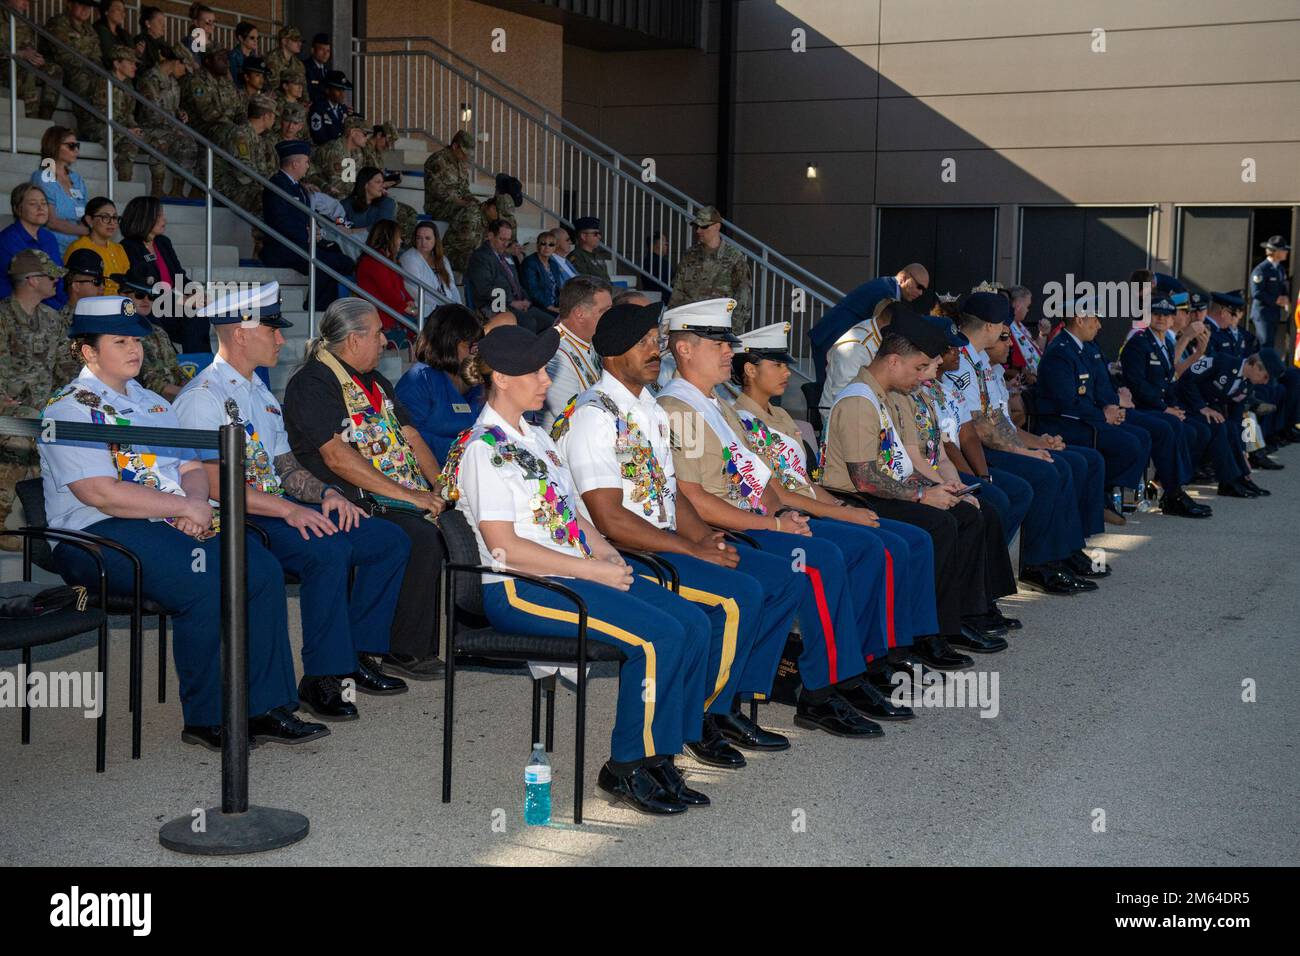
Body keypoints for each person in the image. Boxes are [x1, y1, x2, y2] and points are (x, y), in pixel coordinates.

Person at [441, 323, 713, 813]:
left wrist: (604, 551)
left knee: (691, 622)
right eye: (536, 370)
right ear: (501, 377)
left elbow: (572, 515)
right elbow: (505, 548)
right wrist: (589, 570)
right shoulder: (483, 448)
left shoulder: (537, 437)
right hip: (522, 587)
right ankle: (626, 768)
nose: (548, 378)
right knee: (658, 639)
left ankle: (661, 754)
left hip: (568, 571)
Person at [40, 294, 329, 749]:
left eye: (135, 339)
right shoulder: (68, 408)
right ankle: (207, 716)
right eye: (119, 341)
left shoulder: (153, 402)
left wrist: (194, 504)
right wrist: (182, 509)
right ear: (88, 351)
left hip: (169, 518)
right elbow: (100, 493)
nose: (134, 349)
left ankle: (266, 706)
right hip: (95, 534)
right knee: (203, 582)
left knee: (261, 570)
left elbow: (192, 468)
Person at [554, 302, 806, 764]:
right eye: (645, 343)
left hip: (666, 540)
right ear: (612, 355)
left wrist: (703, 540)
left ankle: (728, 699)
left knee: (780, 575)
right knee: (738, 595)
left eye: (656, 340)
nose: (657, 350)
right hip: (624, 552)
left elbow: (673, 495)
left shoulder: (646, 407)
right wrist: (691, 547)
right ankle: (705, 718)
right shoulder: (595, 415)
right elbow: (608, 520)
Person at [657, 298, 912, 737]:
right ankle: (821, 690)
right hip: (729, 530)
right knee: (820, 560)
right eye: (717, 343)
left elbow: (762, 478)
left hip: (759, 519)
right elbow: (696, 502)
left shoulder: (713, 405)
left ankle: (855, 668)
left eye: (728, 343)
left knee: (860, 546)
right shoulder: (681, 411)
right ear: (684, 350)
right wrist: (777, 524)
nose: (728, 353)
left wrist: (791, 514)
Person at [175, 281, 413, 719]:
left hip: (276, 507)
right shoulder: (202, 398)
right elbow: (212, 486)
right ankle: (322, 676)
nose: (282, 338)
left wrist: (324, 494)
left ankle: (355, 654)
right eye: (272, 329)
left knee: (386, 541)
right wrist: (291, 508)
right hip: (236, 518)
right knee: (326, 549)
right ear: (240, 333)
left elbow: (285, 465)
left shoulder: (261, 394)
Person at [729, 320, 948, 687]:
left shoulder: (780, 416)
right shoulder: (742, 421)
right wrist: (838, 511)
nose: (787, 372)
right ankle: (859, 662)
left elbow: (805, 482)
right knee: (872, 546)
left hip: (809, 503)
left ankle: (881, 650)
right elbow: (778, 492)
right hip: (784, 515)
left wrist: (842, 508)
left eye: (786, 363)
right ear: (750, 370)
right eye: (777, 365)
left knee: (895, 539)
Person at [820, 312, 1018, 664]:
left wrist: (941, 488)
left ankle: (952, 620)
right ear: (894, 361)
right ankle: (930, 632)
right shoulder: (858, 400)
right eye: (918, 368)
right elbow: (864, 478)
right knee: (940, 524)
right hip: (855, 497)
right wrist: (923, 494)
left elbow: (907, 460)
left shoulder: (881, 394)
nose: (923, 377)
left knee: (962, 513)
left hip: (887, 489)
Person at [283, 297, 448, 680]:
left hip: (389, 489)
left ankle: (405, 644)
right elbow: (338, 458)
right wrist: (411, 495)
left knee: (446, 524)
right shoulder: (312, 383)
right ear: (354, 340)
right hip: (345, 497)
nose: (384, 342)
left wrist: (441, 485)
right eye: (377, 334)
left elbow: (410, 436)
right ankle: (385, 648)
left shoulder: (375, 381)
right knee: (418, 535)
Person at [942, 298, 1113, 593]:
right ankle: (1038, 563)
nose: (1009, 338)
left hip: (988, 447)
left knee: (1067, 462)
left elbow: (1000, 422)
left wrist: (1036, 443)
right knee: (1047, 471)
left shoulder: (981, 362)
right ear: (992, 327)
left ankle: (1064, 549)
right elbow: (976, 429)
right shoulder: (963, 363)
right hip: (971, 454)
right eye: (1005, 330)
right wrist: (1024, 451)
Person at [1035, 302, 1152, 517]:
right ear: (1080, 320)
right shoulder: (1060, 352)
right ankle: (1099, 495)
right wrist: (1103, 415)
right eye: (1095, 319)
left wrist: (1111, 409)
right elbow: (1066, 402)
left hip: (1087, 415)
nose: (1099, 325)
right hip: (1065, 422)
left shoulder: (1083, 347)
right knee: (1129, 443)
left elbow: (1096, 387)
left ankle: (1101, 493)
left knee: (1141, 436)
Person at [0, 249, 80, 547]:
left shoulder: (51, 318)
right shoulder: (4, 317)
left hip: (44, 407)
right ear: (32, 280)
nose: (57, 282)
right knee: (25, 435)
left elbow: (65, 363)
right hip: (11, 411)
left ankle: (44, 527)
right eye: (51, 277)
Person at [1119, 297, 1223, 509]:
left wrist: (1176, 407)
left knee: (1198, 428)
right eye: (1156, 313)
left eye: (1166, 315)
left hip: (1161, 405)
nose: (1161, 318)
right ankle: (1173, 492)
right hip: (1142, 407)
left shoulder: (1166, 343)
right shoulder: (1138, 343)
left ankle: (1173, 486)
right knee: (1174, 427)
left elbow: (1169, 380)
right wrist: (1165, 408)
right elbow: (1138, 385)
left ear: (1172, 319)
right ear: (1148, 316)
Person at [260, 139, 355, 312]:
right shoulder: (277, 185)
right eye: (305, 161)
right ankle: (315, 310)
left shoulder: (299, 188)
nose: (308, 165)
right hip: (283, 248)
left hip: (301, 245)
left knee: (342, 258)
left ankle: (323, 308)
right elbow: (279, 221)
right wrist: (307, 234)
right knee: (330, 264)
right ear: (295, 163)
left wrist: (316, 232)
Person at [808, 264, 929, 394]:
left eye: (924, 290)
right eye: (919, 286)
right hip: (831, 337)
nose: (920, 292)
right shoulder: (886, 292)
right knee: (829, 393)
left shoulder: (887, 287)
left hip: (838, 339)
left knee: (830, 389)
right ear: (904, 277)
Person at [1176, 348, 1278, 498]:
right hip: (1184, 405)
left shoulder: (1246, 384)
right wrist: (1201, 407)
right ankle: (1228, 481)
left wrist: (1243, 454)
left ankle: (1241, 477)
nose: (1266, 381)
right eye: (1265, 376)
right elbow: (1186, 380)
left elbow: (1237, 419)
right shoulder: (1221, 361)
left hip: (1207, 411)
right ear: (1255, 365)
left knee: (1230, 426)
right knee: (1219, 427)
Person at [394, 304, 484, 461]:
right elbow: (408, 439)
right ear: (448, 343)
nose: (476, 352)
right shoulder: (419, 380)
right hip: (434, 478)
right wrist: (467, 449)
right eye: (471, 346)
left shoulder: (475, 381)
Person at [120, 196, 203, 353]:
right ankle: (178, 363)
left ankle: (197, 364)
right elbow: (147, 287)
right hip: (150, 305)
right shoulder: (128, 247)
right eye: (159, 215)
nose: (164, 219)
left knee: (199, 316)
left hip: (172, 306)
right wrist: (182, 300)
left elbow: (180, 277)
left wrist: (195, 293)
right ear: (144, 217)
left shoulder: (163, 242)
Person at [541, 275, 614, 429]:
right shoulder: (555, 352)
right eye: (604, 311)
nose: (610, 317)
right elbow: (573, 415)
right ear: (579, 313)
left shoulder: (590, 341)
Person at [668, 207, 752, 335]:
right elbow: (677, 293)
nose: (698, 231)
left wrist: (731, 333)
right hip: (690, 329)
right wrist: (673, 326)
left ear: (717, 226)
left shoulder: (735, 258)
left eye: (704, 226)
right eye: (697, 226)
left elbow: (743, 300)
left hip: (719, 330)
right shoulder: (690, 255)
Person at [108, 263, 185, 399]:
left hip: (173, 400)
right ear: (122, 295)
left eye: (151, 297)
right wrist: (185, 394)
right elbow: (147, 381)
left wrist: (194, 389)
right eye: (140, 295)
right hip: (143, 403)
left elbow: (177, 371)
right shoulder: (118, 333)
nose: (146, 300)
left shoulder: (158, 331)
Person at [466, 219, 554, 333]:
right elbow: (484, 289)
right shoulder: (481, 257)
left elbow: (516, 283)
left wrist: (526, 300)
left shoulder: (506, 256)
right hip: (495, 305)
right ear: (490, 236)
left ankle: (541, 350)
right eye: (502, 239)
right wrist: (510, 302)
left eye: (508, 240)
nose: (506, 244)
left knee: (551, 322)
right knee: (529, 323)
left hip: (516, 303)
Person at [136, 45, 201, 199]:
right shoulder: (150, 79)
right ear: (177, 62)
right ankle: (157, 187)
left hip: (168, 127)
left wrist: (180, 113)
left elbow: (172, 106)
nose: (185, 73)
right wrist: (174, 123)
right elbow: (152, 113)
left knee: (189, 143)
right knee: (162, 141)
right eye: (184, 68)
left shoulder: (173, 82)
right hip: (148, 127)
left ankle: (177, 189)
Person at [819, 296, 900, 412]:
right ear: (889, 327)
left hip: (865, 405)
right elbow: (844, 396)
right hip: (840, 414)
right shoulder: (854, 348)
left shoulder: (876, 330)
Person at [423, 130, 483, 273]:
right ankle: (450, 250)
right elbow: (436, 189)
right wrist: (461, 202)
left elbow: (464, 189)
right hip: (439, 206)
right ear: (455, 146)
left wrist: (471, 199)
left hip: (458, 205)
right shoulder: (437, 160)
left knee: (480, 210)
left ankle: (473, 250)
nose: (466, 156)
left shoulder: (461, 164)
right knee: (469, 211)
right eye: (464, 152)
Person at [0, 183, 66, 307]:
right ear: (17, 209)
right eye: (33, 204)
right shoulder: (7, 240)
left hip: (54, 307)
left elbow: (58, 277)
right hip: (20, 311)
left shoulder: (49, 237)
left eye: (44, 203)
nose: (41, 208)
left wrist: (63, 305)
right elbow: (21, 288)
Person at [214, 96, 279, 215]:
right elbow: (243, 172)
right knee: (269, 199)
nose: (275, 120)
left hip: (247, 186)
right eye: (274, 116)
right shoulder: (240, 135)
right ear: (266, 116)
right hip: (231, 188)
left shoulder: (258, 138)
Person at [356, 219, 415, 349]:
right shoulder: (373, 261)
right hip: (384, 321)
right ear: (389, 238)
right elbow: (389, 294)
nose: (401, 241)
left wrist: (410, 302)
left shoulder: (388, 261)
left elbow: (401, 290)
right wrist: (411, 310)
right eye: (399, 237)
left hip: (395, 315)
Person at [44, 0, 101, 137]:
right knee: (84, 79)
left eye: (88, 6)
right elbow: (62, 55)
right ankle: (89, 129)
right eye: (81, 4)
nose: (86, 9)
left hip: (84, 70)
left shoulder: (89, 29)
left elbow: (97, 56)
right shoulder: (59, 23)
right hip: (62, 68)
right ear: (70, 4)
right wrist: (88, 66)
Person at [30, 127, 89, 256]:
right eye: (71, 146)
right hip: (50, 247)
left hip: (78, 247)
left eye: (77, 145)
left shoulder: (77, 179)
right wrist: (89, 231)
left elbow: (85, 215)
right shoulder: (42, 177)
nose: (76, 150)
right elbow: (51, 221)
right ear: (55, 146)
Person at [2, 0, 59, 120]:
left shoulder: (22, 20)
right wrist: (20, 54)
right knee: (28, 70)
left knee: (54, 70)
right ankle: (31, 119)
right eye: (23, 0)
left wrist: (36, 58)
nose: (27, 4)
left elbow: (29, 47)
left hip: (21, 64)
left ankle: (45, 118)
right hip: (4, 65)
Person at [62, 197, 128, 295]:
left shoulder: (119, 249)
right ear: (89, 220)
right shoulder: (78, 248)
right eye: (105, 217)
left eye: (114, 218)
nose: (112, 223)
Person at [181, 47, 244, 142]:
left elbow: (239, 109)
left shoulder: (227, 83)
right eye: (219, 58)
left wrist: (245, 124)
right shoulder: (196, 81)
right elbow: (207, 112)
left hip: (228, 126)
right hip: (204, 129)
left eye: (225, 57)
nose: (225, 61)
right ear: (208, 61)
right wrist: (233, 126)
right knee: (234, 135)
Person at [399, 221, 461, 316]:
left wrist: (459, 307)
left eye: (428, 238)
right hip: (426, 312)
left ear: (435, 240)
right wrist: (445, 307)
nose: (423, 242)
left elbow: (452, 287)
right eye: (419, 238)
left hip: (447, 310)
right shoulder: (409, 259)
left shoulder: (442, 259)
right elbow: (416, 291)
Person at [309, 116, 370, 201]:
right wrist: (367, 188)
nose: (367, 138)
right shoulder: (334, 150)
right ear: (352, 132)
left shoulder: (356, 152)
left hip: (345, 197)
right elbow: (337, 185)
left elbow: (352, 179)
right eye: (365, 134)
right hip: (325, 198)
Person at [1249, 236, 1291, 350]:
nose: (1286, 252)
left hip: (1274, 314)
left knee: (1268, 345)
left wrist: (1285, 298)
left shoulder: (1280, 269)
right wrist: (1277, 299)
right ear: (1275, 252)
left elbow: (1282, 287)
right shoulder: (1261, 269)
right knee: (1265, 345)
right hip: (1263, 314)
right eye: (1284, 250)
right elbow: (1256, 292)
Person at [520, 229, 563, 314]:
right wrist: (552, 308)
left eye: (551, 244)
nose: (547, 247)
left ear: (555, 247)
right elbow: (532, 291)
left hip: (555, 306)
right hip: (538, 307)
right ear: (537, 245)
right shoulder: (530, 263)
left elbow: (557, 289)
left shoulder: (553, 264)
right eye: (543, 243)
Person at [308, 70, 352, 145]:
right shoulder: (318, 108)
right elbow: (319, 137)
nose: (342, 94)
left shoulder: (343, 109)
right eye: (338, 90)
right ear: (327, 90)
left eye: (343, 90)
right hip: (325, 151)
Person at [264, 24, 305, 95]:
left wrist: (305, 102)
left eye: (300, 41)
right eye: (295, 40)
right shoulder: (271, 59)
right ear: (284, 41)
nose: (300, 44)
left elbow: (303, 87)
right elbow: (272, 87)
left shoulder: (299, 64)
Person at [567, 216, 609, 280]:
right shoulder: (577, 257)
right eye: (595, 234)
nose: (599, 237)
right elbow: (584, 282)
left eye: (599, 233)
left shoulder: (597, 255)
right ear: (583, 236)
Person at [93, 0, 130, 68]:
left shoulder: (123, 34)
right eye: (118, 9)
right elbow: (108, 55)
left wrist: (137, 53)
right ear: (106, 11)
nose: (122, 13)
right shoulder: (99, 30)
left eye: (123, 10)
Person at [133, 4, 169, 74]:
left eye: (164, 22)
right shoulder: (140, 41)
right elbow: (140, 70)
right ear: (148, 23)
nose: (164, 25)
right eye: (160, 21)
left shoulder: (162, 43)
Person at [303, 33, 332, 105]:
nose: (325, 54)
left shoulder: (326, 71)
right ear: (313, 50)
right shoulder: (304, 67)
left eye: (328, 51)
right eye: (322, 50)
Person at [642, 230, 672, 298]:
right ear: (658, 244)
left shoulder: (647, 260)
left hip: (652, 297)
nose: (667, 244)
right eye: (665, 242)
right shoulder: (661, 263)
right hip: (663, 299)